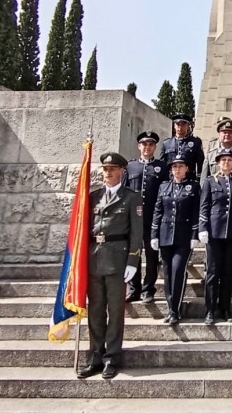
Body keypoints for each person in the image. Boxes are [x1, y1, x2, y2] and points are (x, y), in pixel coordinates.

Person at [77, 152, 143, 380]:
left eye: (113, 169)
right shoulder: (93, 197)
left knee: (115, 312)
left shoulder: (132, 197)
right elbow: (83, 232)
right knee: (95, 310)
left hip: (117, 260)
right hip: (94, 259)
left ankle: (111, 357)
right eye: (105, 169)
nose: (108, 173)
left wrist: (133, 260)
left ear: (122, 171)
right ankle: (95, 355)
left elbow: (136, 233)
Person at [199, 148, 232, 324]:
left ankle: (225, 308)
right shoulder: (210, 181)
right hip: (214, 233)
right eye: (223, 160)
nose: (226, 163)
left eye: (229, 160)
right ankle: (210, 310)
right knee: (213, 273)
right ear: (218, 163)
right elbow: (204, 205)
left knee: (228, 273)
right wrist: (203, 227)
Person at [151, 153, 200, 325]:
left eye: (180, 166)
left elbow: (196, 213)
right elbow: (158, 211)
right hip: (165, 235)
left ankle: (175, 310)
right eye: (174, 166)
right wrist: (154, 234)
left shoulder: (193, 187)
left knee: (178, 270)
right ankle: (170, 307)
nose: (177, 169)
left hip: (184, 236)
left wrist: (195, 234)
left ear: (187, 168)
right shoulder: (164, 186)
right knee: (167, 273)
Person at [123, 131, 168, 303]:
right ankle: (133, 288)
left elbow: (164, 192)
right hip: (134, 218)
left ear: (155, 147)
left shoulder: (162, 167)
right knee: (134, 254)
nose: (147, 147)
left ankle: (148, 289)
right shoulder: (130, 166)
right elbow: (124, 191)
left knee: (151, 255)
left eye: (150, 144)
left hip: (152, 218)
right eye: (144, 144)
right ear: (139, 146)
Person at [161, 113, 205, 182]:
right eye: (178, 124)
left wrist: (199, 180)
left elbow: (201, 164)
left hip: (190, 180)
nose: (180, 127)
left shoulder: (196, 142)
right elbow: (163, 164)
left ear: (188, 126)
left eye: (183, 124)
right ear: (174, 126)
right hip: (171, 181)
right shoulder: (167, 143)